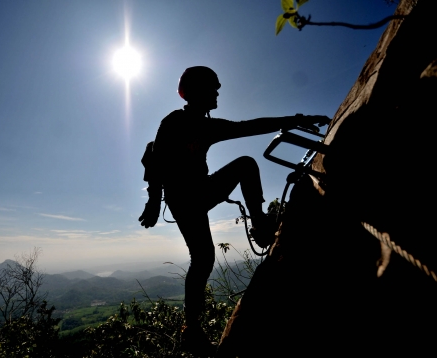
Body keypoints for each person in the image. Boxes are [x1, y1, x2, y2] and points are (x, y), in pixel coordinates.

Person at [138, 66, 329, 355]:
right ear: (194, 91)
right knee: (203, 258)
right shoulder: (174, 122)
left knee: (246, 165)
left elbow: (249, 126)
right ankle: (192, 328)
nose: (217, 92)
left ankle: (261, 226)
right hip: (183, 200)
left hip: (201, 191)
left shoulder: (208, 126)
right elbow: (155, 159)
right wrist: (153, 202)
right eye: (212, 88)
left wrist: (297, 120)